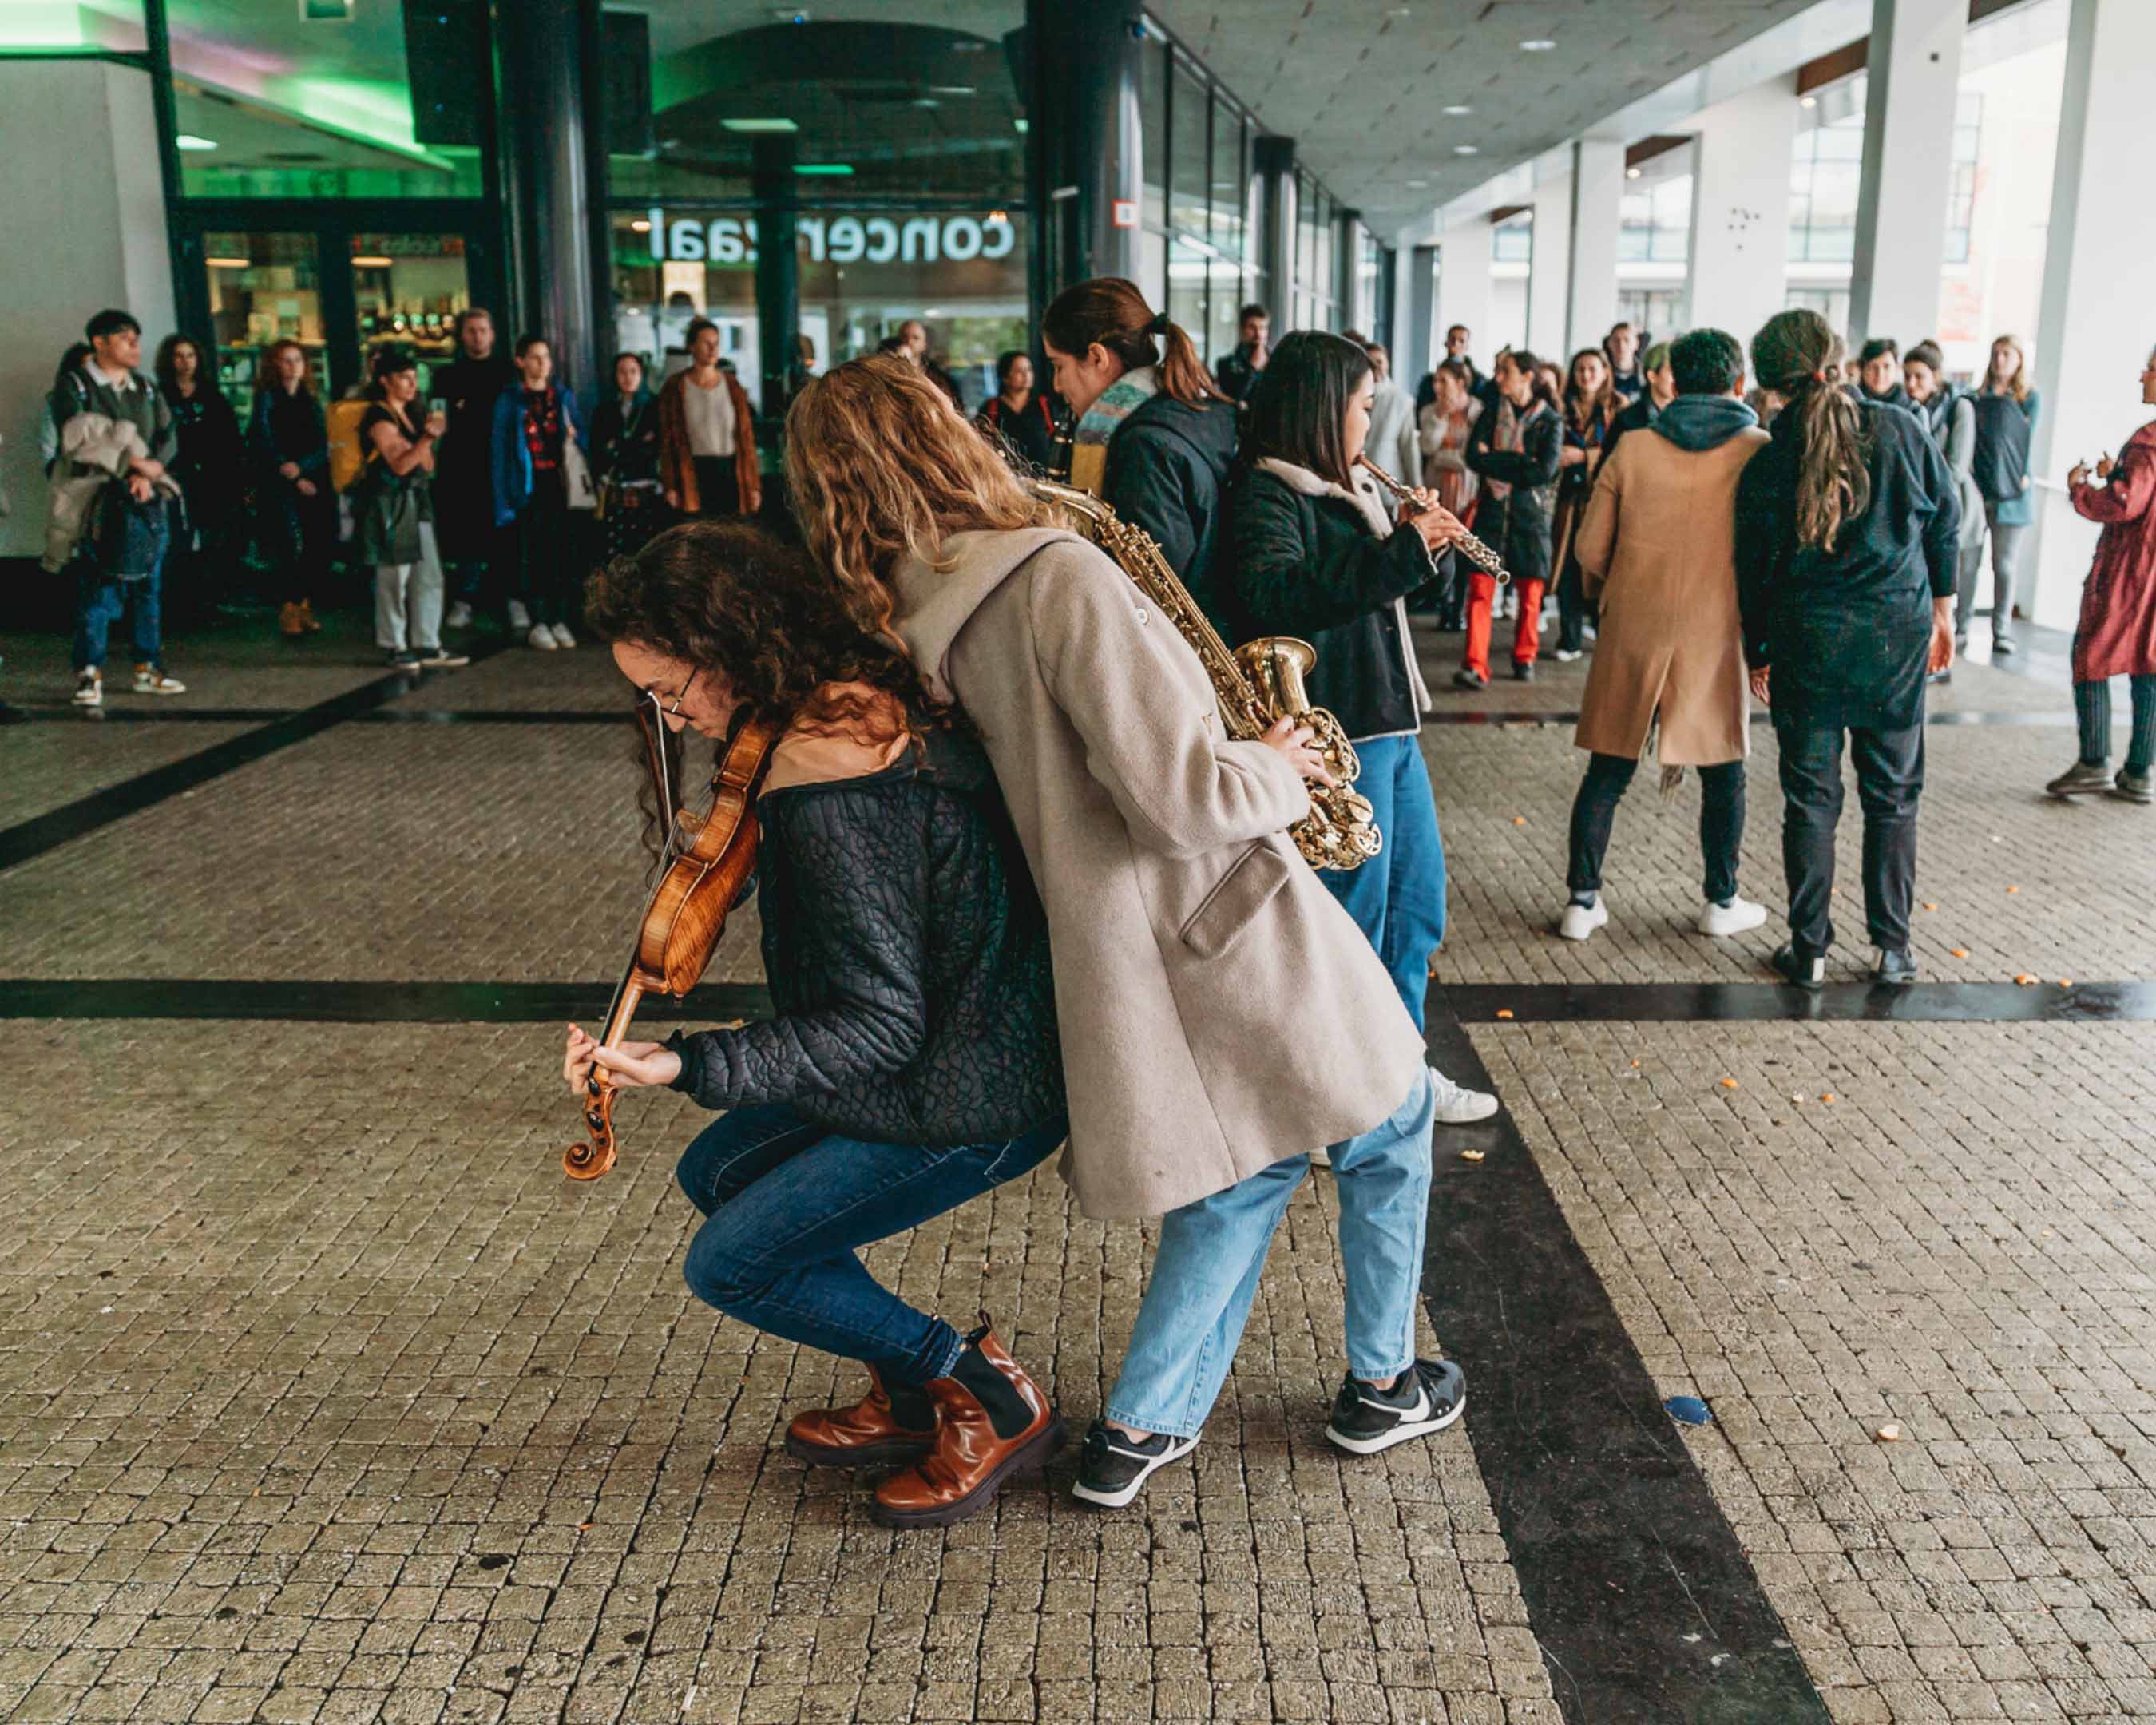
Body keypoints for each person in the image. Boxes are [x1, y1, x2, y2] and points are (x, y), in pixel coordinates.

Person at [783, 356, 1461, 1513]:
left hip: (1116, 938)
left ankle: (1141, 1430)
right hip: (1218, 911)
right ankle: (1378, 1385)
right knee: (1389, 1111)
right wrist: (1278, 764)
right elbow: (1183, 796)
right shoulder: (1055, 576)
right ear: (943, 441)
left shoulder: (913, 613)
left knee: (1253, 1159)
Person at [570, 520, 1068, 1529]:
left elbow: (876, 1024)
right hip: (953, 1045)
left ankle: (980, 1389)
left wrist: (685, 1065)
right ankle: (908, 1390)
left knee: (733, 1262)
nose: (671, 719)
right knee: (717, 1172)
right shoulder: (838, 698)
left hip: (973, 1090)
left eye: (671, 690)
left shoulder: (832, 785)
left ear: (729, 647)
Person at [1223, 328, 1498, 1113]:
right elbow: (1278, 597)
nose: (1370, 422)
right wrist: (1401, 549)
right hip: (1343, 737)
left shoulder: (1352, 485)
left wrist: (1424, 544)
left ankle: (1398, 1080)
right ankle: (1333, 1100)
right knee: (1352, 928)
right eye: (1364, 406)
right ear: (1323, 408)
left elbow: (1380, 594)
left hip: (1392, 728)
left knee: (1415, 913)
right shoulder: (1271, 494)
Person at [1735, 308, 1959, 989]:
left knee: (1811, 800)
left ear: (1772, 381)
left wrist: (1759, 650)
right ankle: (1893, 949)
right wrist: (1943, 609)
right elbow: (1945, 518)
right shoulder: (1901, 429)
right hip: (1895, 638)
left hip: (1807, 642)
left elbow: (1753, 567)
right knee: (1892, 797)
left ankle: (1809, 949)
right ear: (1836, 357)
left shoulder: (1770, 458)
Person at [1560, 328, 1770, 943]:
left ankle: (1581, 902)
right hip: (1717, 630)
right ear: (1738, 383)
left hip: (1634, 624)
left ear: (1672, 381)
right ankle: (1721, 900)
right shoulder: (1758, 449)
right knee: (1724, 769)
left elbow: (1589, 548)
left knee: (1608, 767)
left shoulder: (1633, 447)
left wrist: (1622, 587)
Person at [1041, 277, 1239, 621]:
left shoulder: (1142, 447)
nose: (1057, 385)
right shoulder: (1186, 413)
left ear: (1097, 357)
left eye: (1059, 366)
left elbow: (1148, 597)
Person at [52, 310, 185, 706]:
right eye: (125, 338)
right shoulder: (76, 385)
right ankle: (88, 671)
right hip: (99, 498)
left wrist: (150, 470)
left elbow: (167, 434)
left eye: (136, 339)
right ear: (100, 342)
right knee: (100, 586)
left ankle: (148, 665)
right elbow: (81, 438)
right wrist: (130, 467)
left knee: (149, 586)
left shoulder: (145, 388)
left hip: (146, 496)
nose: (134, 346)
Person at [2047, 347, 2156, 805]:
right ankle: (2140, 771)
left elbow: (2126, 503)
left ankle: (2094, 761)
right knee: (2149, 664)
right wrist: (2119, 473)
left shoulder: (2149, 443)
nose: (2142, 377)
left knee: (2090, 652)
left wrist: (2082, 488)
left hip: (2133, 572)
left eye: (2150, 370)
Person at [1456, 348, 1561, 686]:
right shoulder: (1490, 412)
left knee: (1530, 592)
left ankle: (1524, 657)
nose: (1498, 377)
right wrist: (1519, 461)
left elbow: (1543, 471)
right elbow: (1473, 458)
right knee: (1480, 588)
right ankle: (1475, 665)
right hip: (1492, 512)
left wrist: (1496, 459)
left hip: (1530, 516)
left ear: (1527, 377)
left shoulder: (1550, 420)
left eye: (1506, 372)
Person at [356, 347, 464, 670]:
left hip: (417, 501)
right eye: (404, 378)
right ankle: (395, 644)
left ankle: (427, 642)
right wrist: (425, 440)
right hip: (389, 503)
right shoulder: (378, 416)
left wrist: (422, 442)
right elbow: (401, 465)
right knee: (394, 576)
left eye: (415, 377)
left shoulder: (413, 414)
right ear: (385, 380)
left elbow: (427, 465)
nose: (412, 384)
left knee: (429, 573)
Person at [491, 334, 590, 651]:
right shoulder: (510, 400)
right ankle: (538, 621)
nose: (542, 363)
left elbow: (583, 438)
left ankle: (558, 618)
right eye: (534, 357)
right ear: (520, 362)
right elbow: (499, 452)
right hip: (526, 484)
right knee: (531, 554)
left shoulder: (561, 396)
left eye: (546, 356)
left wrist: (575, 435)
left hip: (559, 483)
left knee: (560, 551)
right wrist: (502, 500)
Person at [432, 307, 521, 632]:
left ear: (493, 335)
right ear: (462, 336)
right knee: (466, 534)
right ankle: (464, 600)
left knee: (507, 534)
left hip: (502, 465)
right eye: (471, 331)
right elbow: (440, 419)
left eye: (483, 330)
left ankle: (513, 598)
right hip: (462, 466)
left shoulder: (509, 373)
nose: (477, 337)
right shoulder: (447, 376)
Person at [1904, 340, 1984, 681]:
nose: (1911, 383)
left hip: (1954, 508)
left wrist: (1917, 485)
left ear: (1936, 376)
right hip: (1922, 510)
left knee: (1946, 587)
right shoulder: (1908, 411)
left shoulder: (1959, 408)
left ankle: (1943, 658)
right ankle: (1928, 659)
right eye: (1907, 376)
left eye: (1919, 376)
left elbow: (1956, 467)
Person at [153, 334, 243, 628]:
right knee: (178, 541)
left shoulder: (210, 395)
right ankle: (178, 605)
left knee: (214, 541)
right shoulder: (161, 395)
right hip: (177, 477)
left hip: (213, 478)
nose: (185, 362)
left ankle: (208, 602)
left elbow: (229, 437)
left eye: (190, 356)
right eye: (179, 356)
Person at [1964, 333, 2042, 656]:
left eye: (2007, 354)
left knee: (2004, 564)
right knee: (1967, 561)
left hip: (2013, 493)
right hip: (1979, 488)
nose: (2000, 360)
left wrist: (2020, 476)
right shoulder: (1976, 395)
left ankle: (2001, 630)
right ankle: (1961, 626)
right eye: (1996, 353)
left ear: (2019, 359)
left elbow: (2027, 442)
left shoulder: (2029, 398)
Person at [1550, 347, 1617, 662]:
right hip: (1567, 500)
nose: (1586, 375)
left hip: (1602, 498)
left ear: (1605, 373)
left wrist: (1584, 456)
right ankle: (1570, 638)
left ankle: (1604, 634)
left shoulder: (1618, 408)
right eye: (1580, 369)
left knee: (1600, 568)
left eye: (1592, 369)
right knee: (1567, 570)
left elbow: (1620, 451)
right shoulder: (1561, 408)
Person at [657, 318, 759, 522]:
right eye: (706, 343)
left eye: (716, 343)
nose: (713, 349)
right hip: (693, 470)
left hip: (730, 469)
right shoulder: (676, 386)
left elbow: (746, 438)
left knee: (732, 532)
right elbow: (667, 441)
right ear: (691, 346)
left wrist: (753, 486)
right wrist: (670, 485)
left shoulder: (732, 384)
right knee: (697, 531)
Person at [1415, 359, 1482, 627]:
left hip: (1468, 488)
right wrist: (1440, 418)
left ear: (1461, 382)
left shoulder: (1478, 410)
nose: (1437, 386)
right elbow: (1428, 448)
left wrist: (1446, 457)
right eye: (1435, 380)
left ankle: (1459, 608)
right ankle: (1444, 604)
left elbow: (1472, 458)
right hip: (1438, 486)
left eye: (1444, 380)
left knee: (1465, 545)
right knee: (1441, 543)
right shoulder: (1429, 411)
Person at [590, 352, 664, 561]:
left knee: (646, 549)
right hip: (615, 488)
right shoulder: (604, 409)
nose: (628, 377)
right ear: (615, 376)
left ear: (642, 374)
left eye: (633, 371)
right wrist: (638, 444)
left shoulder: (654, 407)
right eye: (622, 372)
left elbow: (656, 449)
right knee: (616, 552)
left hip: (646, 487)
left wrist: (619, 447)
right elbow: (598, 450)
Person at [973, 350, 1062, 472]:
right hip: (1004, 477)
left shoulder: (1044, 405)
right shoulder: (991, 408)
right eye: (1019, 371)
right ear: (1005, 377)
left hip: (1042, 478)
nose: (1026, 375)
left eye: (1029, 370)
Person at [1603, 339, 1674, 470]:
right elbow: (1606, 470)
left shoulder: (1688, 417)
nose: (1679, 379)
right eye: (1672, 372)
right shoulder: (1626, 421)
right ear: (1652, 376)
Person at [1358, 341, 1422, 486]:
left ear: (1387, 364)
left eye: (1379, 361)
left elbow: (1409, 447)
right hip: (1356, 475)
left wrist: (1416, 484)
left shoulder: (1402, 399)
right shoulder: (1350, 396)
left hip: (1388, 476)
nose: (1375, 366)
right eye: (1369, 362)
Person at [898, 318, 965, 410]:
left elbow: (955, 407)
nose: (909, 342)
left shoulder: (940, 378)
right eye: (904, 336)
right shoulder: (890, 370)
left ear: (924, 345)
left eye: (916, 338)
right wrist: (898, 362)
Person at [1212, 302, 1270, 404]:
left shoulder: (1279, 360)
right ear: (1242, 329)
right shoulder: (1225, 364)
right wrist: (1253, 368)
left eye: (1262, 328)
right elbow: (1233, 398)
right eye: (1252, 327)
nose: (1259, 334)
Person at [1857, 339, 1915, 414]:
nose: (1880, 374)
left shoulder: (1914, 410)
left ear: (1897, 368)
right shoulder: (1848, 402)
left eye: (1886, 366)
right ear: (1862, 369)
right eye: (1873, 367)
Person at [1604, 323, 1644, 402]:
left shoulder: (1647, 375)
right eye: (1616, 340)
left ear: (1636, 344)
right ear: (1609, 344)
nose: (1621, 345)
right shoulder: (1600, 374)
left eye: (1627, 340)